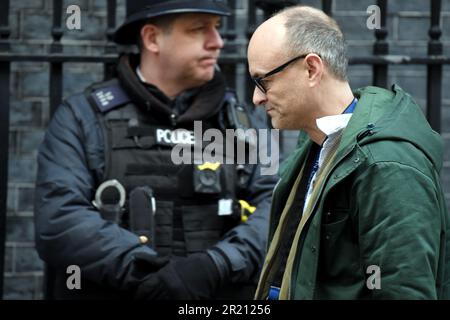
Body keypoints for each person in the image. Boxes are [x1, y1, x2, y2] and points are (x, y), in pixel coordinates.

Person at [34, 0, 278, 300]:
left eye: (215, 28)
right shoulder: (82, 116)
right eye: (199, 29)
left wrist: (216, 265)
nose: (217, 42)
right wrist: (150, 276)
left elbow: (278, 206)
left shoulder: (245, 121)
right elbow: (59, 220)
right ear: (152, 39)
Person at [247, 5, 450, 299]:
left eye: (263, 80)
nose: (256, 98)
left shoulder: (387, 165)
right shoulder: (319, 141)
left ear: (311, 69)